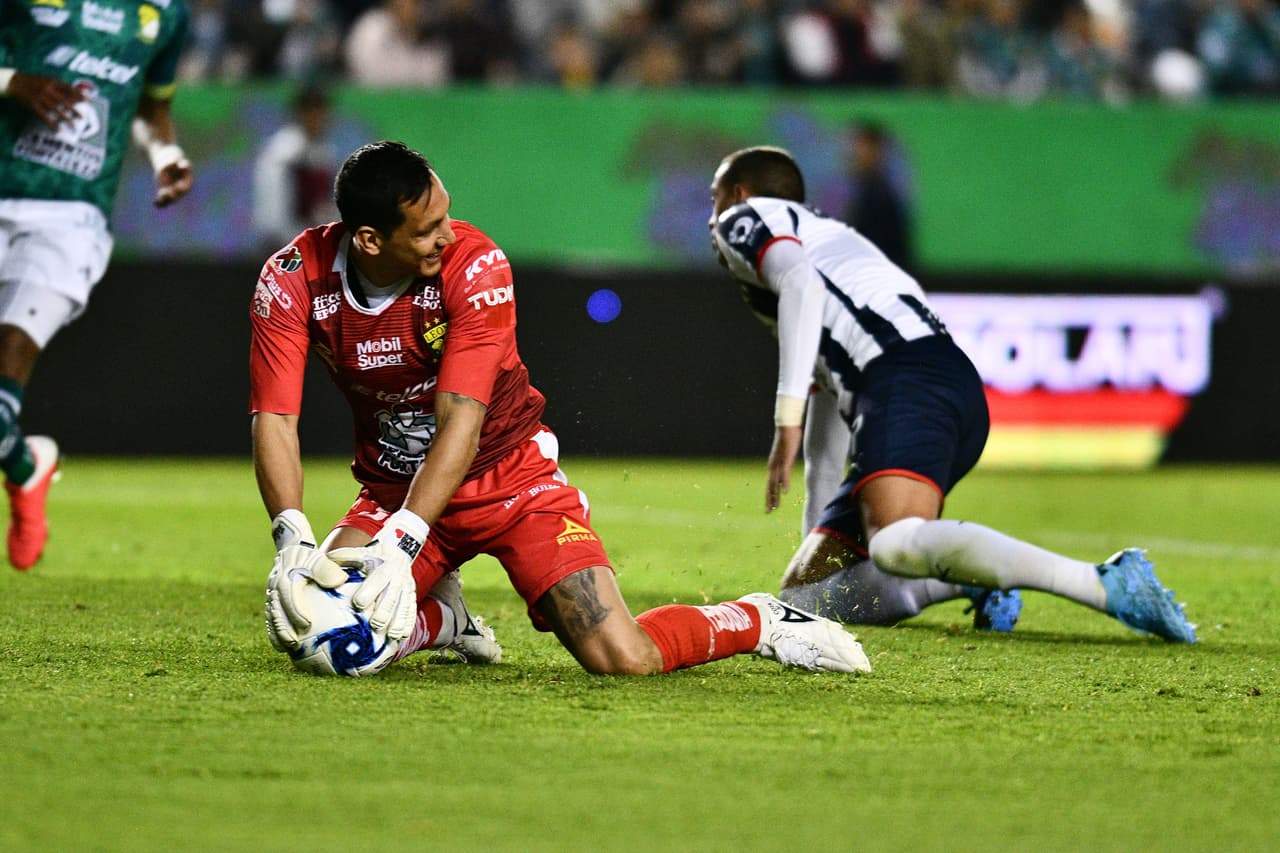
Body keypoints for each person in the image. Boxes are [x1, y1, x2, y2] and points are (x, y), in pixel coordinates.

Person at [252, 140, 870, 676]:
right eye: (425, 229)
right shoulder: (292, 278)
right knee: (323, 635)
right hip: (395, 489)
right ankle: (443, 620)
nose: (448, 234)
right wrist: (291, 538)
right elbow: (275, 418)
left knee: (621, 656)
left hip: (509, 479)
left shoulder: (475, 264)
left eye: (446, 214)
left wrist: (403, 541)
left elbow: (461, 418)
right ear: (368, 239)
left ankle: (757, 619)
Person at [707, 145, 1197, 643]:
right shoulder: (828, 243)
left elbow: (801, 285)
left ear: (740, 194)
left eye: (714, 199)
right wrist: (814, 540)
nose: (712, 219)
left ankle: (1101, 583)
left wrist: (785, 417)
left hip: (903, 377)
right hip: (940, 382)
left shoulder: (747, 220)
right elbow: (825, 446)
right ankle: (970, 580)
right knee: (807, 600)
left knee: (894, 543)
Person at [0, 0, 195, 570]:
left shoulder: (165, 15)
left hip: (72, 219)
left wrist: (165, 152)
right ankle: (25, 466)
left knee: (9, 363)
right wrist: (12, 81)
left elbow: (151, 106)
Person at [251, 84, 340, 253]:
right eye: (313, 112)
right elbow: (273, 206)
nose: (320, 119)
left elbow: (324, 203)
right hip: (283, 244)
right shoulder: (284, 150)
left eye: (323, 113)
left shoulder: (324, 151)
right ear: (301, 114)